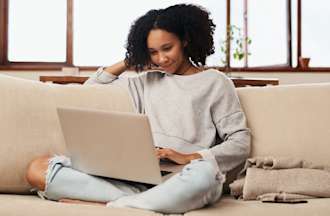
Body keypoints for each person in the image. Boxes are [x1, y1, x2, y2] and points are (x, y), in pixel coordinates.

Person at [25, 4, 250, 214]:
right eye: (152, 52)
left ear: (185, 40)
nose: (161, 58)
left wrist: (189, 157)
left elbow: (240, 142)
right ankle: (147, 202)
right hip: (138, 178)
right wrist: (130, 61)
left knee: (205, 176)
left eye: (167, 48)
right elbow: (92, 87)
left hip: (186, 177)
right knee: (38, 169)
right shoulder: (147, 82)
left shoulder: (215, 82)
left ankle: (116, 203)